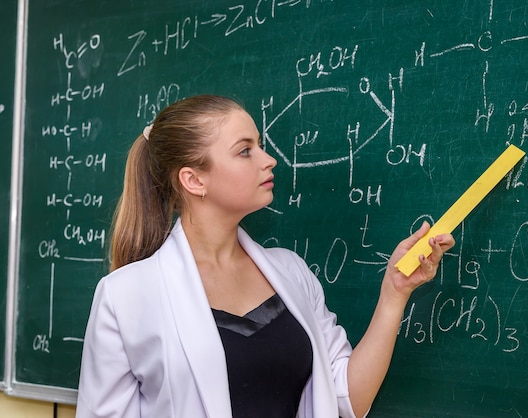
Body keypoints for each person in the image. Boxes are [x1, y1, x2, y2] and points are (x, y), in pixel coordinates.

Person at [76, 95, 455, 418]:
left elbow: (347, 398)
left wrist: (395, 292)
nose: (268, 159)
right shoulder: (125, 295)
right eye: (245, 151)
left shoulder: (290, 271)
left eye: (259, 145)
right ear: (194, 180)